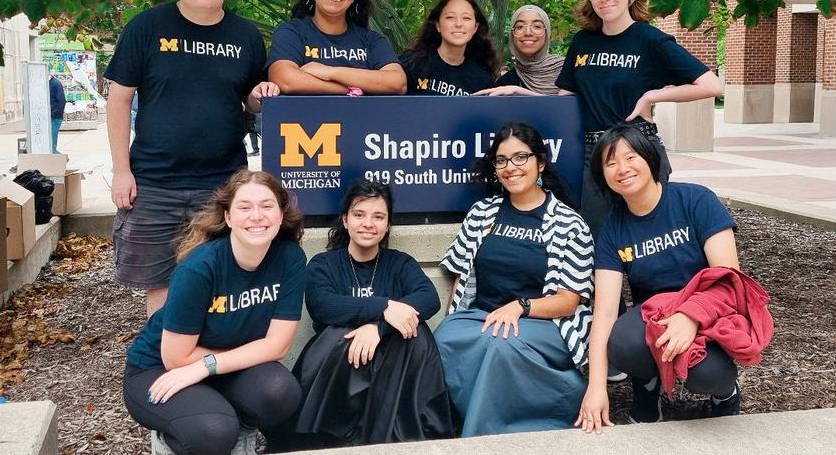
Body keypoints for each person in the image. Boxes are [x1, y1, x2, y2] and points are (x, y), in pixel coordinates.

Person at [105, 0, 280, 317]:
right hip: (154, 182)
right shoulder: (147, 27)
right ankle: (164, 365)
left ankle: (211, 366)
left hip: (221, 184)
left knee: (218, 279)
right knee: (161, 286)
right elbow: (119, 101)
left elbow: (250, 100)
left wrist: (261, 93)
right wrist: (121, 171)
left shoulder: (245, 36)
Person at [122, 170, 307, 455]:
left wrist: (206, 367)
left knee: (280, 392)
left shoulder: (290, 258)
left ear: (281, 215)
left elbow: (278, 344)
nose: (256, 216)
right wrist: (205, 366)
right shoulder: (199, 268)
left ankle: (241, 429)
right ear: (228, 217)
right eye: (244, 207)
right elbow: (175, 357)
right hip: (160, 369)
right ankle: (171, 439)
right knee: (213, 430)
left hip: (214, 365)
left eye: (267, 206)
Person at [576, 124, 742, 433]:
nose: (622, 169)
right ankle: (647, 386)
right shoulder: (613, 230)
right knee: (622, 342)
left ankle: (725, 395)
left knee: (708, 374)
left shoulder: (696, 201)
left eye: (630, 157)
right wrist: (596, 387)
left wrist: (690, 317)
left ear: (650, 158)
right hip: (656, 318)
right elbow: (605, 312)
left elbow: (728, 280)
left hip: (709, 314)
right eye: (610, 163)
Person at [434, 122, 594, 437]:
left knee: (500, 346)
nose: (511, 167)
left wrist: (520, 307)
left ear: (541, 163)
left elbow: (568, 300)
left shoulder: (570, 223)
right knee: (443, 339)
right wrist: (453, 317)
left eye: (521, 157)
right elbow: (461, 276)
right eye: (502, 160)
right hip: (482, 315)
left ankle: (479, 437)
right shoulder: (482, 212)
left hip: (545, 323)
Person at [555, 0, 722, 236]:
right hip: (594, 155)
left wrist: (652, 97)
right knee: (598, 237)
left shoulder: (650, 40)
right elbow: (565, 96)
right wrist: (524, 94)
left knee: (648, 236)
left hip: (637, 147)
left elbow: (711, 85)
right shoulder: (583, 41)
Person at [291, 180, 454, 446]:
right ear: (345, 220)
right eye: (359, 215)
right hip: (339, 376)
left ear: (388, 225)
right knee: (339, 336)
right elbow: (322, 306)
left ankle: (401, 436)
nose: (369, 223)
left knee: (416, 333)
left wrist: (378, 328)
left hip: (394, 375)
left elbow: (428, 298)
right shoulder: (324, 264)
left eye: (378, 217)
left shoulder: (399, 263)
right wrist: (385, 307)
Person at [267, 0, 406, 95]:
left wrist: (329, 72)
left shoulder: (371, 40)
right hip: (308, 117)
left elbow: (397, 82)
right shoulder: (292, 33)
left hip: (362, 116)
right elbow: (285, 80)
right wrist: (354, 90)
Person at [401, 0, 497, 95]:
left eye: (466, 18)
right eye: (450, 17)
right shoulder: (412, 63)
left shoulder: (482, 79)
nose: (458, 24)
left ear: (475, 27)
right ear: (438, 24)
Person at [475, 5, 563, 96]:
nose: (528, 33)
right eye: (520, 27)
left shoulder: (567, 69)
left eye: (537, 26)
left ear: (547, 33)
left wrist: (520, 92)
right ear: (512, 35)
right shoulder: (505, 84)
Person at [49, 74, 66, 153]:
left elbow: (61, 101)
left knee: (52, 139)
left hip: (55, 116)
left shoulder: (55, 84)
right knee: (50, 139)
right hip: (52, 115)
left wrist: (54, 112)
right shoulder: (50, 83)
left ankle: (57, 155)